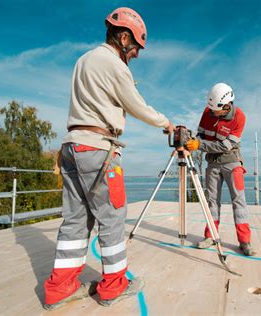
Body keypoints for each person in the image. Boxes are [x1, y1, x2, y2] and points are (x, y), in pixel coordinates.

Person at [43, 7, 175, 310]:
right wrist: (166, 123)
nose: (137, 55)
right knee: (112, 218)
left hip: (71, 148)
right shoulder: (115, 65)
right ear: (124, 36)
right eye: (137, 47)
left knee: (75, 220)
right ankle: (114, 286)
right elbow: (137, 105)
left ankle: (60, 287)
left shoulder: (83, 60)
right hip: (98, 150)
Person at [185, 83, 255, 257]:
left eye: (216, 111)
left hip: (232, 162)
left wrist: (200, 145)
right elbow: (200, 134)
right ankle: (210, 236)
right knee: (212, 201)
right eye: (211, 110)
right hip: (213, 163)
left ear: (227, 105)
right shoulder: (208, 111)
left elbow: (225, 145)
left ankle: (245, 242)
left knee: (238, 201)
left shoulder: (239, 117)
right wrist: (193, 140)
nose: (212, 113)